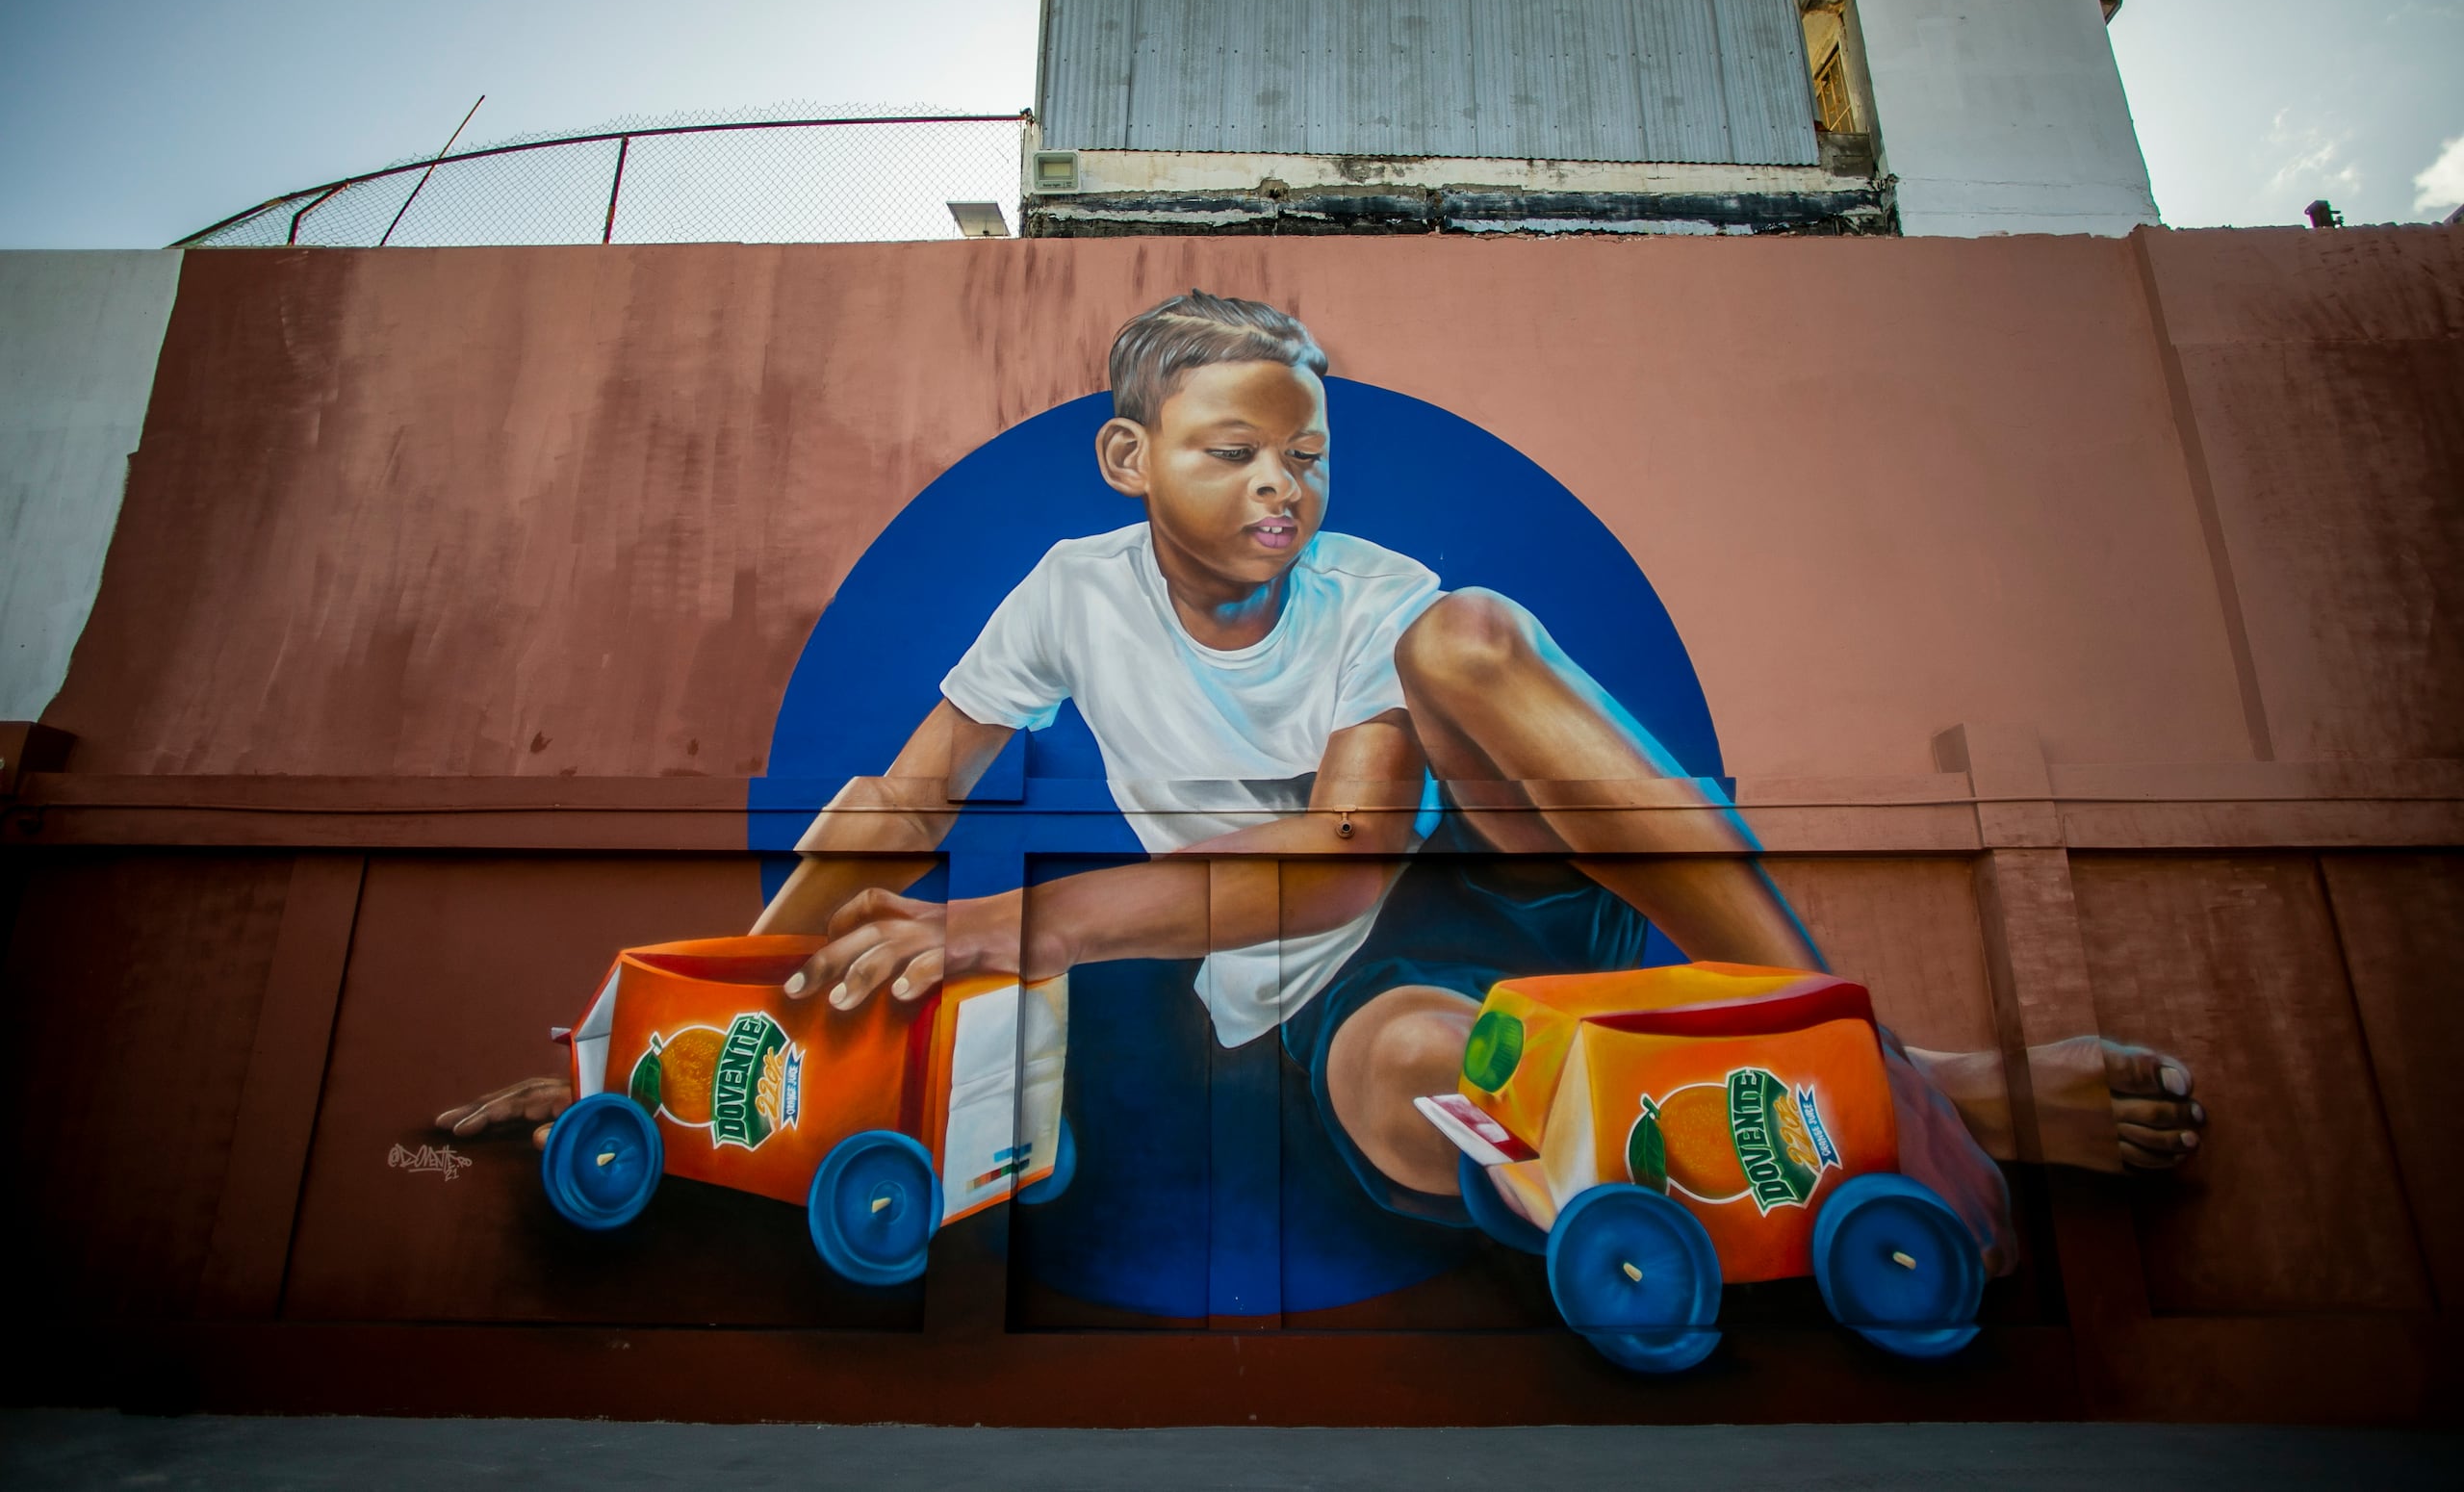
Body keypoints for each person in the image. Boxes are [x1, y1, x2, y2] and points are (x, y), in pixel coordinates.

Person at [443, 293, 2205, 1269]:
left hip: (1496, 882)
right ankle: (1889, 1113)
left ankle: (1854, 1043)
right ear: (1134, 461)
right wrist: (680, 1040)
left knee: (1473, 645)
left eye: (1308, 453)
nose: (1282, 485)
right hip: (1309, 994)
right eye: (1233, 451)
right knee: (1406, 1075)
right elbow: (898, 804)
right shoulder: (1069, 591)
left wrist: (1015, 929)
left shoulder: (1370, 596)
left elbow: (1356, 853)